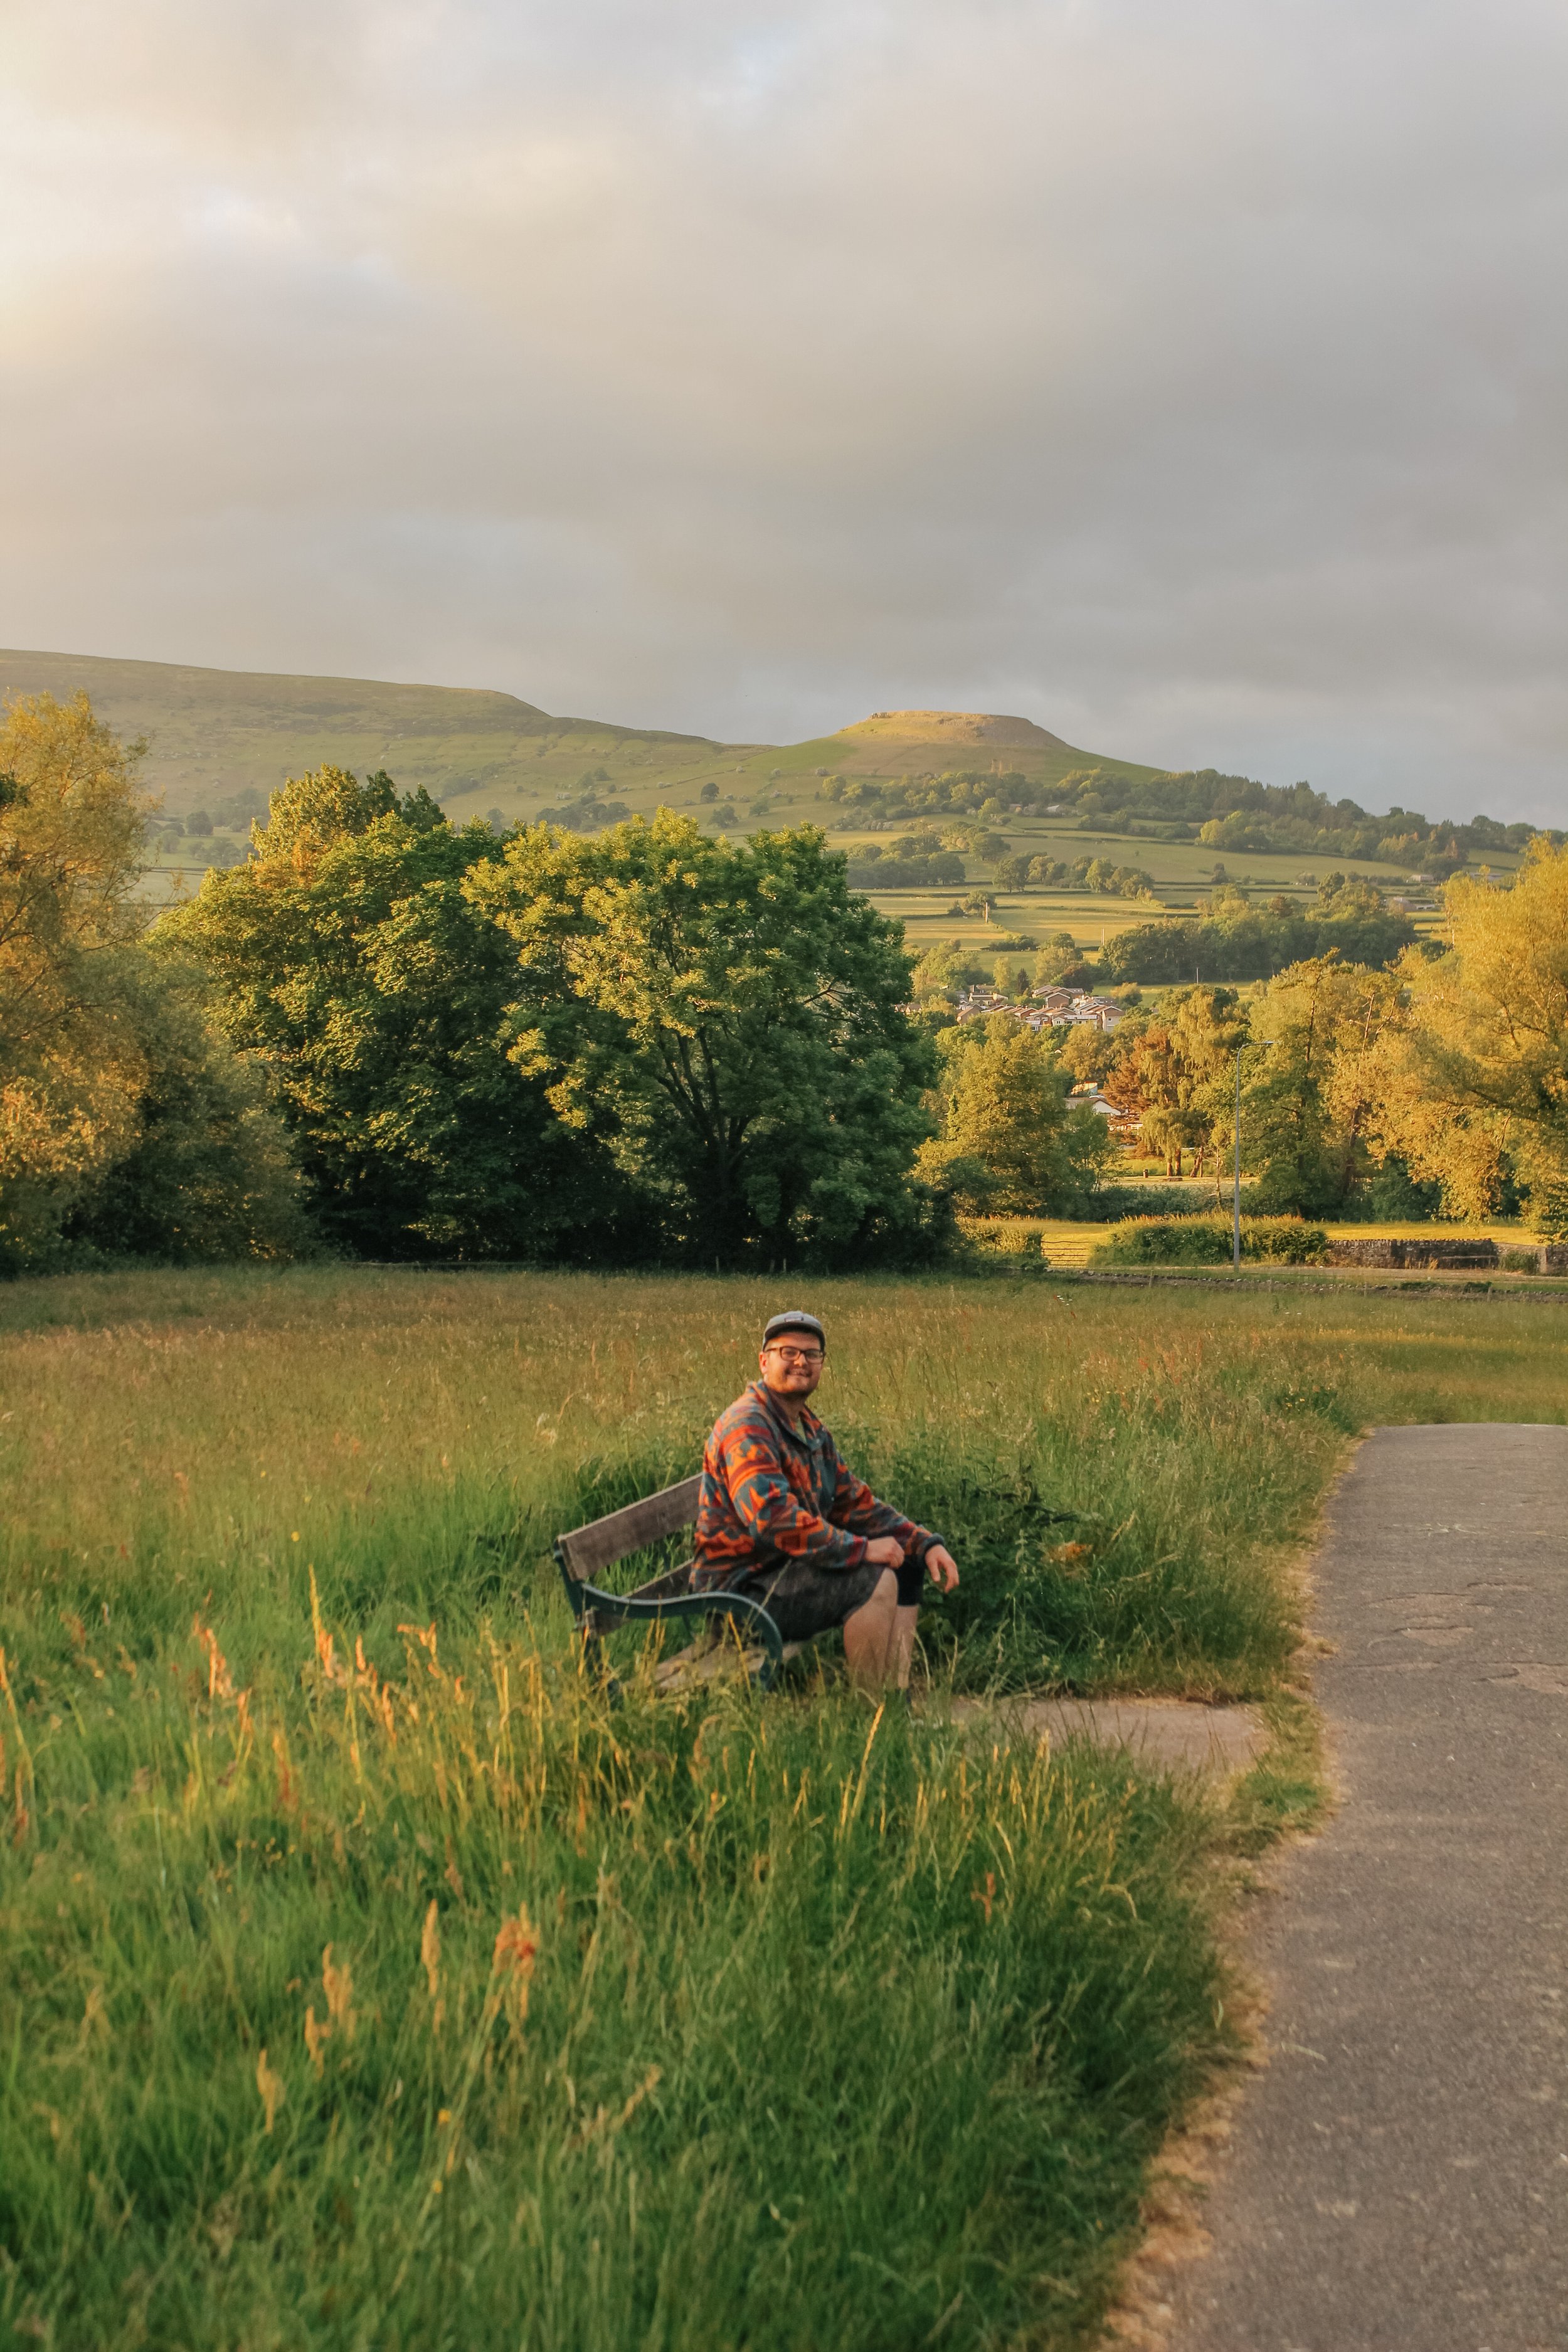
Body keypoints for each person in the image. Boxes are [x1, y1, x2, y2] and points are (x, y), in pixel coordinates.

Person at [692, 1309, 960, 1692]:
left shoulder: (809, 1429)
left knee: (906, 1561)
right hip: (740, 1596)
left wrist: (924, 1543)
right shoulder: (748, 1425)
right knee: (872, 1578)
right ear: (764, 1361)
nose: (801, 1361)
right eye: (788, 1352)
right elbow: (773, 1519)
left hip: (784, 1576)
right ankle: (869, 1714)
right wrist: (862, 1550)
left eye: (812, 1354)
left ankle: (895, 1705)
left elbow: (856, 1505)